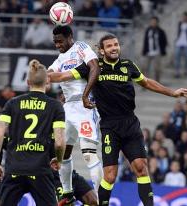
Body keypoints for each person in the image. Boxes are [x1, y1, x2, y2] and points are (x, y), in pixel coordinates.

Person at [48, 33, 187, 206]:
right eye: (109, 46)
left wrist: (172, 92)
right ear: (101, 51)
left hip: (130, 123)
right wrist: (44, 76)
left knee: (141, 167)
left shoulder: (128, 65)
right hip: (109, 126)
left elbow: (146, 82)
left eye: (116, 44)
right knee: (109, 174)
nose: (114, 48)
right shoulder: (93, 68)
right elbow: (65, 76)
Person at [0, 60, 66, 206]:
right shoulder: (55, 106)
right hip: (40, 170)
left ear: (27, 82)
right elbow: (60, 141)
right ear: (47, 81)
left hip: (14, 168)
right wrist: (59, 159)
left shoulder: (12, 103)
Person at [48, 25, 103, 203]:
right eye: (55, 42)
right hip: (68, 108)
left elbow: (95, 67)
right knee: (63, 151)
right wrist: (45, 73)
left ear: (70, 36)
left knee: (89, 154)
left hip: (85, 105)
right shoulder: (60, 58)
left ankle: (103, 199)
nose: (58, 45)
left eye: (60, 41)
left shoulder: (81, 47)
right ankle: (68, 193)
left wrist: (86, 94)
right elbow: (49, 75)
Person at [142, 16, 167, 82]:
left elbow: (164, 41)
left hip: (157, 52)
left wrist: (163, 50)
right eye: (152, 22)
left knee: (157, 69)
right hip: (149, 51)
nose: (153, 23)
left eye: (154, 22)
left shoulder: (160, 31)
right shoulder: (148, 30)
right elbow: (145, 41)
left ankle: (157, 83)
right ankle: (145, 83)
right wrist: (144, 50)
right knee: (145, 68)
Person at [174, 11, 187, 78]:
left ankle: (186, 70)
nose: (184, 18)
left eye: (185, 17)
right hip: (179, 42)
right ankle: (177, 71)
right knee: (177, 57)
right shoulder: (180, 23)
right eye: (183, 16)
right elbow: (179, 32)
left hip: (186, 42)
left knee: (186, 57)